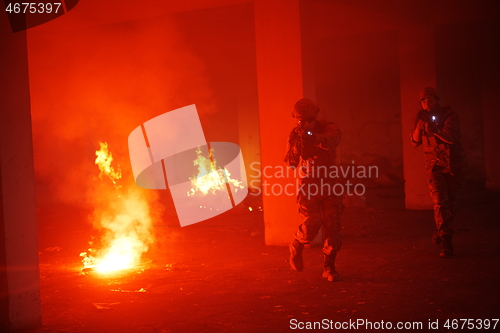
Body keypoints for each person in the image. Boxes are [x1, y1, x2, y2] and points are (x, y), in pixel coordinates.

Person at [284, 98, 344, 282]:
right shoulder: (296, 133)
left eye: (308, 120)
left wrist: (314, 138)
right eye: (301, 121)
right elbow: (291, 163)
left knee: (332, 226)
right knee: (312, 223)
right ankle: (297, 244)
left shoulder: (328, 128)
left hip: (330, 182)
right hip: (308, 183)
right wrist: (297, 145)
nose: (305, 124)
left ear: (315, 117)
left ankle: (329, 267)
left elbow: (333, 140)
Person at [411, 87, 466, 258]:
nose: (427, 103)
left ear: (436, 100)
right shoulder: (421, 117)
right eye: (423, 100)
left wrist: (436, 131)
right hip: (434, 165)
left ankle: (441, 228)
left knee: (451, 202)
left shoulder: (449, 115)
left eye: (430, 100)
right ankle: (446, 241)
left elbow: (451, 138)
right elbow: (414, 142)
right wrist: (420, 128)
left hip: (453, 163)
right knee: (440, 202)